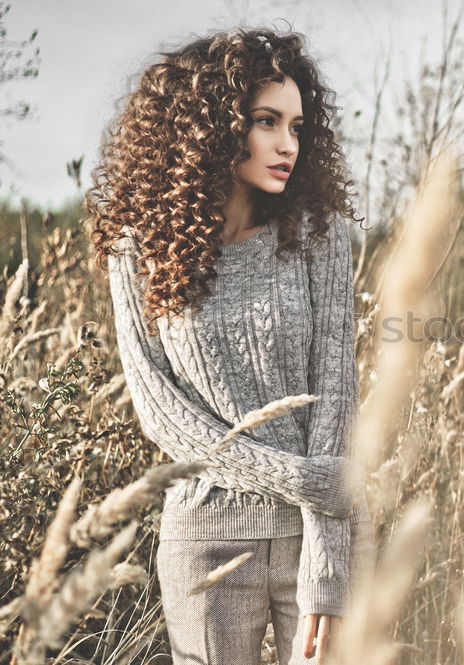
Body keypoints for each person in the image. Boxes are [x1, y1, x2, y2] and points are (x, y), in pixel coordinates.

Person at [84, 26, 375, 665]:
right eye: (267, 121)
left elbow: (336, 397)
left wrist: (327, 567)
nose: (286, 144)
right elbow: (162, 412)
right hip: (207, 541)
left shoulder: (315, 237)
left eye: (297, 127)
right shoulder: (139, 254)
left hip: (319, 537)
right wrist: (299, 477)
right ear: (211, 127)